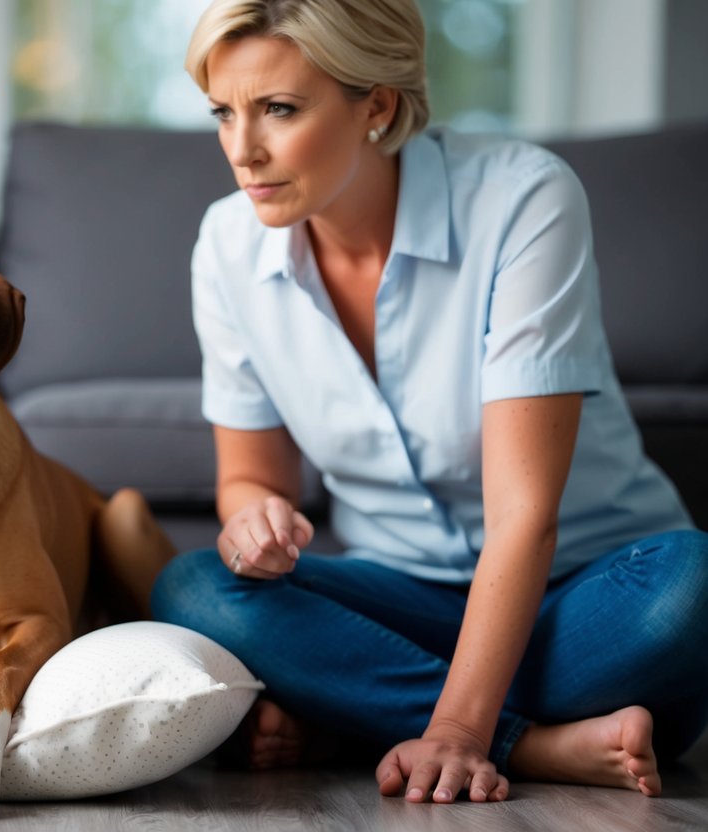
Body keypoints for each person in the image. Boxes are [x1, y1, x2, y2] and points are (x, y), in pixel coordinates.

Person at [151, 0, 708, 805]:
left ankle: (365, 713)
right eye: (222, 113)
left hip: (583, 595)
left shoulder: (523, 200)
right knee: (195, 588)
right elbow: (248, 480)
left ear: (374, 103)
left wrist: (456, 735)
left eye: (278, 109)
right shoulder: (225, 245)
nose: (242, 150)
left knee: (692, 585)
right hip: (400, 602)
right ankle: (541, 746)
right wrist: (251, 524)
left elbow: (523, 518)